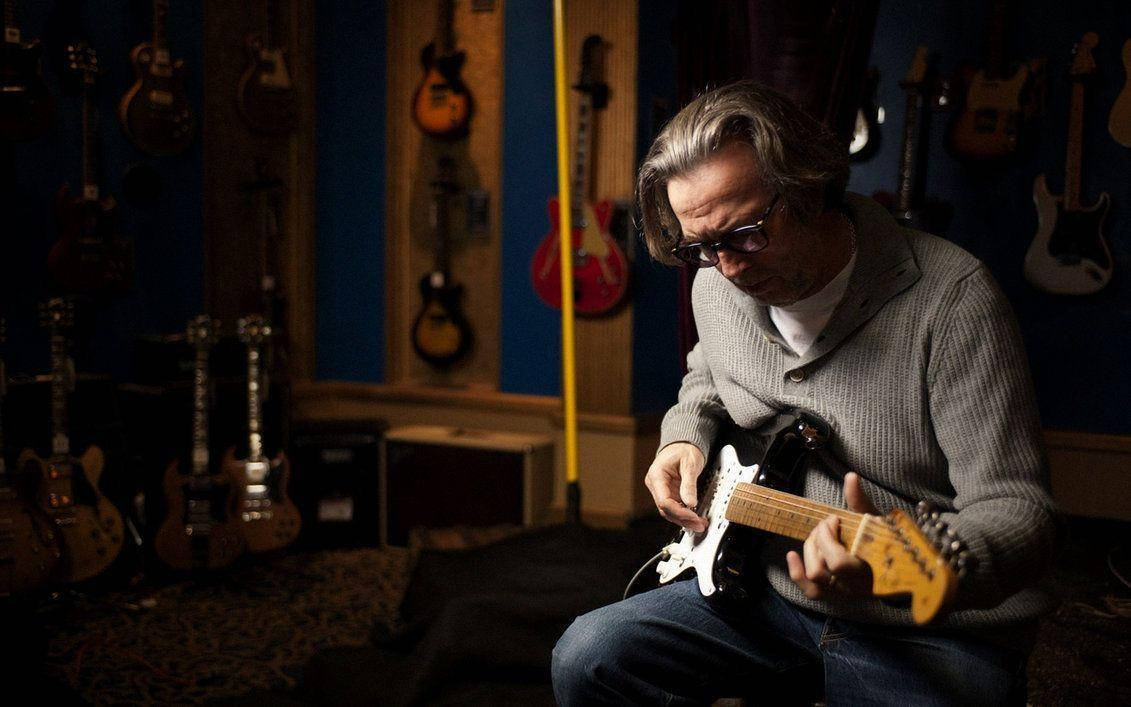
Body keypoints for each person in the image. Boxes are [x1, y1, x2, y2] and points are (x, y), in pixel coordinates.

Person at [551, 80, 1059, 705]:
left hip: (933, 627)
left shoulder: (954, 301)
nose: (728, 267)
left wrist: (920, 565)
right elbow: (707, 376)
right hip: (766, 592)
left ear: (808, 186)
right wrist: (683, 436)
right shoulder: (716, 283)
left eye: (745, 234)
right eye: (702, 246)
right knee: (588, 657)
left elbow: (1018, 511)